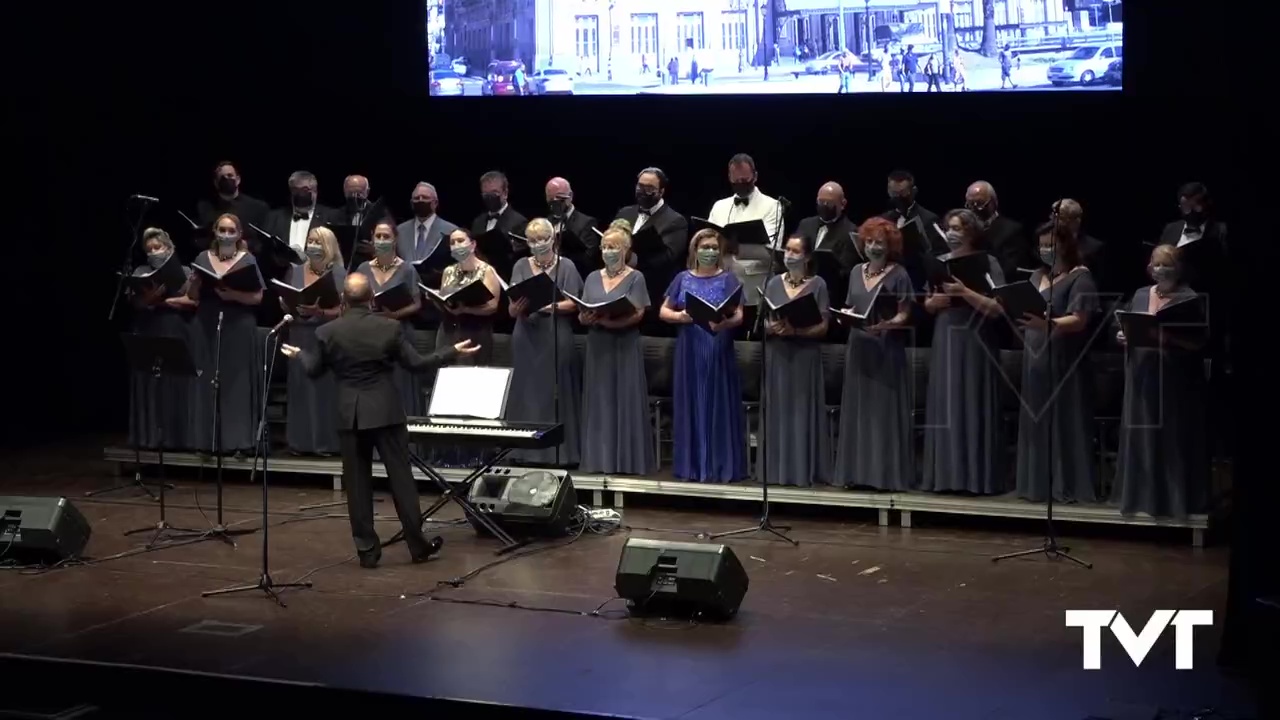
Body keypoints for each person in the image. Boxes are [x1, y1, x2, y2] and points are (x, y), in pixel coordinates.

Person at [281, 273, 480, 568]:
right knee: (401, 479)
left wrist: (299, 356)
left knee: (357, 485)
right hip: (385, 412)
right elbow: (416, 364)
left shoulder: (327, 331)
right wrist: (451, 351)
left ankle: (367, 552)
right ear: (372, 298)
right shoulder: (390, 328)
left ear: (343, 300)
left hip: (350, 415)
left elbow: (314, 370)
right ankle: (417, 545)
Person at [1112, 246, 1210, 518]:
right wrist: (1123, 336)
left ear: (1178, 268)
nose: (1159, 269)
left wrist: (1167, 340)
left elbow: (1198, 343)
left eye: (1165, 264)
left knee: (1170, 440)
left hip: (1174, 380)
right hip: (1141, 373)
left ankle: (1172, 502)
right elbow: (1130, 325)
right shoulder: (1142, 294)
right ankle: (1139, 499)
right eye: (1155, 264)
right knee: (1141, 438)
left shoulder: (1189, 298)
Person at [919, 209, 1007, 494]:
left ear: (971, 232)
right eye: (949, 228)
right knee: (946, 403)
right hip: (945, 336)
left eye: (958, 228)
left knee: (971, 400)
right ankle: (945, 478)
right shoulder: (939, 262)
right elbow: (927, 304)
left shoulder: (987, 262)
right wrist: (934, 303)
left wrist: (964, 293)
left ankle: (975, 479)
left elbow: (998, 308)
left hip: (975, 338)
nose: (953, 233)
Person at [1014, 222, 1100, 504]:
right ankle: (1036, 486)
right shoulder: (1037, 275)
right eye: (1042, 245)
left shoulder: (1081, 277)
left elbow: (1080, 319)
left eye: (1052, 244)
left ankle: (1066, 484)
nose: (1046, 250)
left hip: (1064, 356)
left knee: (1063, 418)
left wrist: (1047, 323)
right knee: (1037, 418)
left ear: (1066, 245)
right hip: (1035, 353)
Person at [833, 219, 915, 490]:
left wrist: (890, 324)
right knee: (859, 410)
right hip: (859, 346)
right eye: (869, 242)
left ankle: (884, 476)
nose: (874, 247)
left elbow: (905, 312)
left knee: (883, 413)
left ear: (889, 245)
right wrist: (843, 316)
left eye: (879, 242)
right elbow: (850, 305)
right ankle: (856, 474)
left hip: (885, 347)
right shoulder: (857, 271)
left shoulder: (900, 273)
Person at [660, 229, 747, 483]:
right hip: (690, 347)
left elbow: (740, 314)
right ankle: (694, 467)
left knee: (717, 402)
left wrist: (726, 324)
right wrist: (680, 316)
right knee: (693, 401)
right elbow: (664, 311)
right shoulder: (682, 278)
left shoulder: (729, 279)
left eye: (713, 247)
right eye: (704, 247)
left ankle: (720, 466)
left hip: (718, 345)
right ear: (694, 250)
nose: (709, 252)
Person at [579, 221, 655, 475]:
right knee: (600, 400)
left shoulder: (636, 277)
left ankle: (627, 461)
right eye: (604, 247)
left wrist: (612, 321)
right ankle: (600, 460)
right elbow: (582, 311)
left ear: (625, 249)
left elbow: (639, 313)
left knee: (625, 399)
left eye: (613, 247)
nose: (608, 251)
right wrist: (587, 319)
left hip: (625, 343)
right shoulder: (591, 277)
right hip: (598, 345)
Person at [506, 218, 583, 466]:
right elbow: (511, 307)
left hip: (554, 332)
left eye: (543, 239)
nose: (538, 244)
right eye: (533, 240)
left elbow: (574, 302)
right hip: (526, 334)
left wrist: (552, 306)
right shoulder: (520, 265)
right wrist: (516, 308)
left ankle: (559, 454)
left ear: (553, 239)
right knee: (525, 391)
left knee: (555, 391)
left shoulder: (567, 266)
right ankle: (522, 451)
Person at [187, 213, 265, 457]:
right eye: (222, 229)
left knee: (237, 383)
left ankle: (238, 442)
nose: (226, 234)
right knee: (207, 381)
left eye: (232, 231)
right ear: (215, 231)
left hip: (239, 324)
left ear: (239, 234)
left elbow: (258, 297)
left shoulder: (248, 259)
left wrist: (231, 295)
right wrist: (194, 282)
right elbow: (192, 297)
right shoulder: (202, 257)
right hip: (207, 323)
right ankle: (207, 441)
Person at [760, 234, 830, 487]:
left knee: (801, 412)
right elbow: (765, 321)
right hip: (778, 354)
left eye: (796, 251)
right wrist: (772, 328)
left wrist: (796, 331)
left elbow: (823, 327)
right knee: (778, 411)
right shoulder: (773, 283)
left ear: (807, 257)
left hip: (804, 356)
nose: (789, 254)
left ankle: (802, 471)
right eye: (787, 250)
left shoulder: (818, 284)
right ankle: (776, 472)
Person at [127, 228, 203, 450]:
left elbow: (194, 302)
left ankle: (181, 438)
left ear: (170, 248)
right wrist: (149, 299)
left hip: (178, 330)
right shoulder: (141, 271)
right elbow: (136, 304)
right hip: (149, 330)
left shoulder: (186, 271)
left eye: (158, 247)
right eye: (149, 249)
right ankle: (151, 437)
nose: (154, 252)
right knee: (151, 384)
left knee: (177, 383)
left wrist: (165, 302)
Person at [282, 227, 346, 456]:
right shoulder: (295, 270)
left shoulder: (339, 273)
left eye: (318, 242)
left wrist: (320, 312)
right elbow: (288, 296)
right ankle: (299, 442)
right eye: (310, 241)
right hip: (299, 332)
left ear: (329, 246)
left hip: (326, 334)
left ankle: (326, 444)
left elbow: (344, 311)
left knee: (324, 390)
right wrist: (286, 304)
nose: (313, 246)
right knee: (300, 387)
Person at [357, 221, 426, 424]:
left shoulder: (407, 270)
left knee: (400, 385)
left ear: (395, 239)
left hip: (399, 332)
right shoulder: (363, 268)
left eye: (386, 237)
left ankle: (405, 442)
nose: (381, 241)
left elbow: (416, 303)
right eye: (377, 237)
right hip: (370, 335)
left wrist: (394, 315)